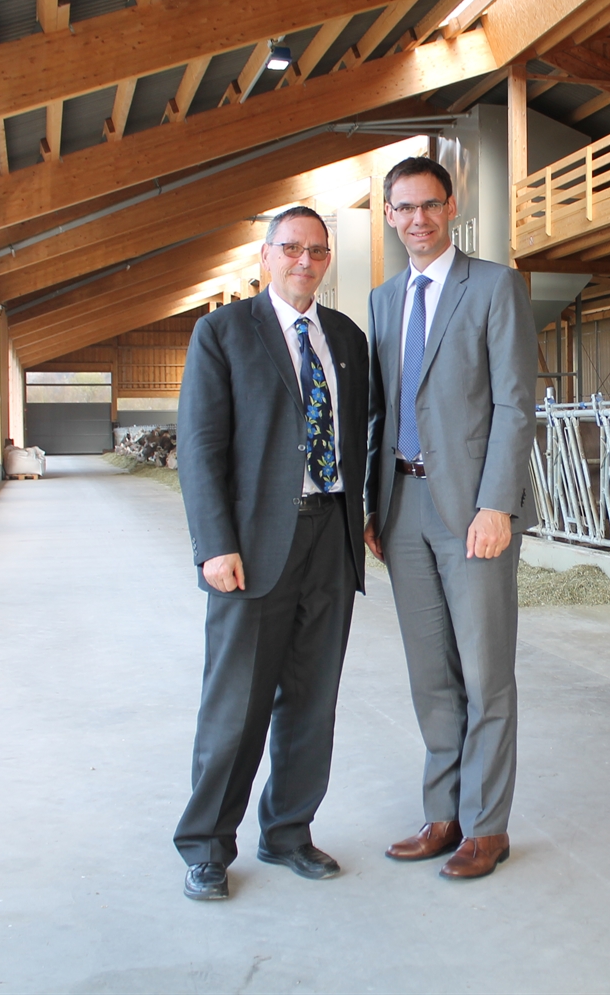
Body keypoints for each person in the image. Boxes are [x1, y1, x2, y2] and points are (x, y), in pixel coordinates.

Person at [173, 206, 368, 901]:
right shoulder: (224, 332)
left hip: (331, 537)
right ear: (265, 255)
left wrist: (367, 519)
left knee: (313, 700)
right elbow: (199, 446)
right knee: (237, 704)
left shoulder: (346, 338)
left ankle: (288, 831)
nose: (304, 261)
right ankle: (206, 845)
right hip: (252, 546)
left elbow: (361, 433)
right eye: (290, 248)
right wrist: (214, 544)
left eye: (316, 250)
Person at [364, 157, 537, 880]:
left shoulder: (494, 286)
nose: (418, 219)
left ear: (451, 206)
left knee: (485, 671)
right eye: (404, 208)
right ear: (389, 215)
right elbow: (379, 408)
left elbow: (515, 403)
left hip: (472, 508)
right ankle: (444, 813)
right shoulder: (383, 299)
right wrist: (370, 505)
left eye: (430, 205)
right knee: (430, 672)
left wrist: (497, 503)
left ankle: (487, 826)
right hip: (401, 504)